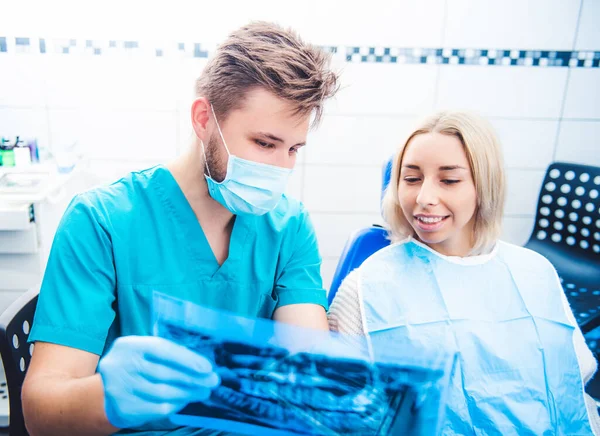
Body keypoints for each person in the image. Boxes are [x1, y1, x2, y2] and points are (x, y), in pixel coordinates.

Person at [22, 21, 338, 436]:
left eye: (294, 149)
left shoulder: (289, 227)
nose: (281, 167)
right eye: (264, 143)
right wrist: (107, 398)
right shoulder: (102, 221)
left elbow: (306, 367)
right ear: (204, 118)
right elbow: (42, 416)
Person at [328, 111, 600, 435]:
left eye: (450, 180)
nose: (425, 198)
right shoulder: (367, 286)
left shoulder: (534, 273)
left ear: (484, 185)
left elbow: (574, 383)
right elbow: (336, 405)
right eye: (411, 179)